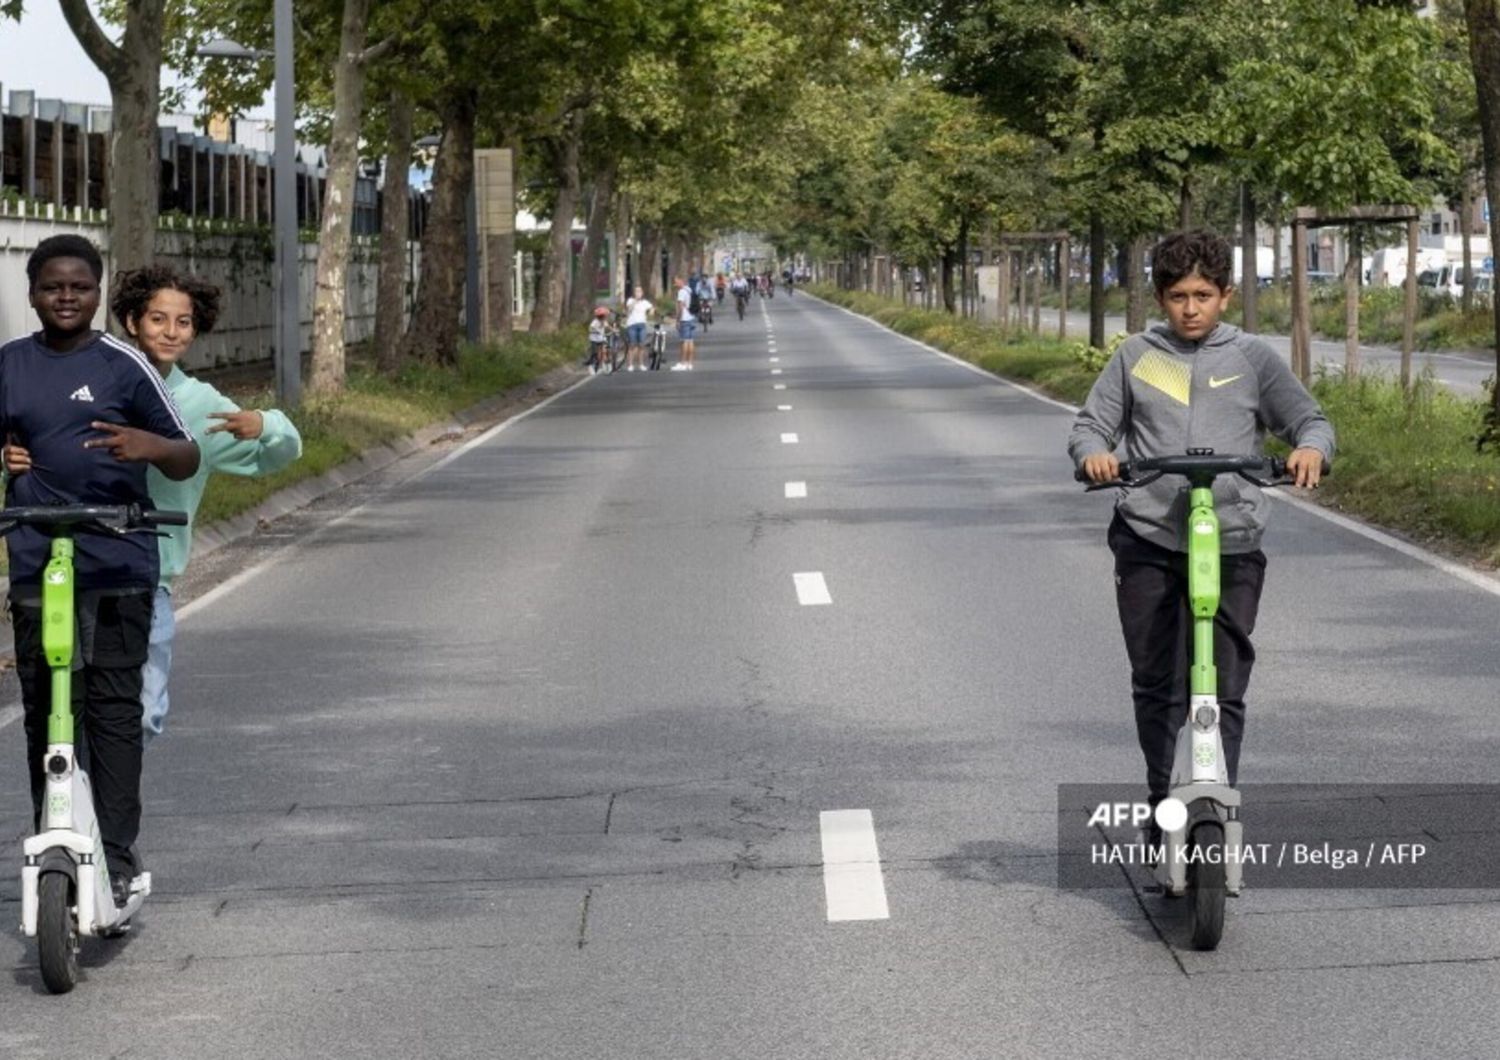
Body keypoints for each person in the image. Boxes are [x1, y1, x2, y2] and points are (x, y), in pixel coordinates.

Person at [1067, 229, 1335, 836]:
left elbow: (1309, 420)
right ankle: (1165, 803)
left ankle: (1216, 801)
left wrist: (1311, 450)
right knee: (1158, 680)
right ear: (1160, 297)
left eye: (1205, 295)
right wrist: (1095, 457)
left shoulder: (1251, 358)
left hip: (1232, 538)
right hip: (1150, 536)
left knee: (1224, 684)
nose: (1192, 309)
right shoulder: (1138, 356)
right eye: (1179, 295)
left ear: (1226, 296)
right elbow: (1090, 428)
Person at [0, 234, 200, 905]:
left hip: (117, 561)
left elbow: (186, 454)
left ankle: (114, 852)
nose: (65, 297)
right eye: (52, 286)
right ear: (32, 292)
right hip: (36, 559)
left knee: (113, 709)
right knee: (47, 710)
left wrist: (152, 445)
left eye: (79, 287)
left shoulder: (124, 364)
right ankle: (55, 833)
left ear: (96, 291)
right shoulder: (10, 364)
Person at [114, 264, 302, 743]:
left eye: (183, 322)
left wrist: (267, 423)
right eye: (157, 319)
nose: (171, 332)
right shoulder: (97, 383)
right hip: (79, 570)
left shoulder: (198, 403)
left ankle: (101, 810)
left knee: (142, 715)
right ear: (133, 321)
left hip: (149, 581)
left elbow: (278, 454)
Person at [623, 286, 653, 371]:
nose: (638, 293)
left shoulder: (645, 302)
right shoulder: (630, 301)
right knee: (632, 345)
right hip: (632, 325)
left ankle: (641, 364)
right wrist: (635, 300)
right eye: (636, 291)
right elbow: (629, 309)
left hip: (642, 325)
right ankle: (630, 365)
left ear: (642, 293)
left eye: (640, 291)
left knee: (641, 345)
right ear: (634, 293)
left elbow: (651, 308)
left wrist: (651, 310)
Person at [672, 275, 698, 370]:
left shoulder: (682, 292)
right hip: (691, 317)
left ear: (681, 280)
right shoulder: (689, 290)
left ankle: (682, 363)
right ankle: (689, 363)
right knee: (691, 341)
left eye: (676, 282)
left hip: (684, 319)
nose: (675, 284)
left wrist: (678, 320)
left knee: (684, 342)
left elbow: (680, 307)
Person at [587, 306, 610, 375]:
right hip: (594, 339)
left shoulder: (604, 322)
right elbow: (590, 328)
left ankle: (605, 365)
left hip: (602, 339)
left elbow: (608, 327)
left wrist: (614, 330)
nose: (604, 317)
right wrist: (595, 330)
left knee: (604, 351)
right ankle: (591, 366)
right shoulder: (595, 322)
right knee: (594, 353)